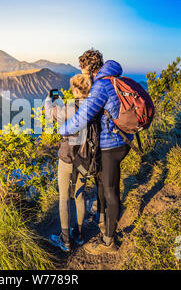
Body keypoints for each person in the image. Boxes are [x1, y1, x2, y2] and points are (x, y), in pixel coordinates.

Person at [59, 49, 133, 254]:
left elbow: (82, 117)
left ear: (91, 69)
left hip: (112, 143)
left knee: (110, 190)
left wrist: (62, 130)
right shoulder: (113, 77)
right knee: (104, 182)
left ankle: (108, 241)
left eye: (84, 72)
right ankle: (103, 219)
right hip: (124, 139)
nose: (84, 77)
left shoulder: (101, 86)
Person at [46, 74, 92, 252]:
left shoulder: (70, 108)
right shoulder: (93, 105)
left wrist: (49, 99)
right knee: (80, 196)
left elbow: (51, 113)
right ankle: (79, 235)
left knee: (64, 198)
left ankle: (65, 240)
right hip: (85, 159)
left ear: (75, 89)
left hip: (67, 157)